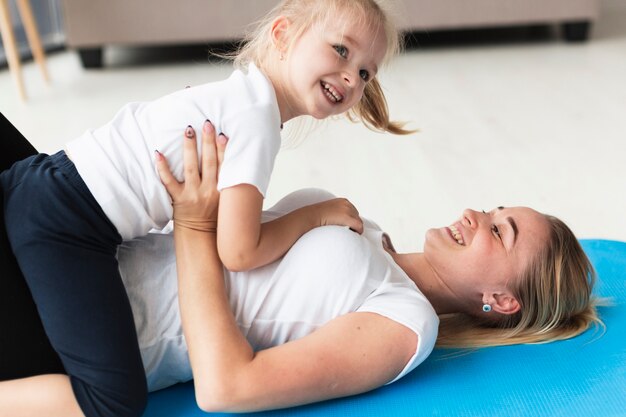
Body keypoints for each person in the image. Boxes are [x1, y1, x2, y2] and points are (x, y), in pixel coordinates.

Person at [1, 122, 603, 414]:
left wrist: (193, 225)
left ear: (501, 301)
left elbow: (225, 387)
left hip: (65, 326)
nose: (475, 212)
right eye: (495, 207)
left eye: (500, 230)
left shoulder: (403, 323)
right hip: (78, 245)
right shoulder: (363, 229)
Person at [0, 1, 411, 415]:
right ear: (283, 35)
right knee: (112, 401)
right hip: (66, 221)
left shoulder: (240, 97)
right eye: (342, 50)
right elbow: (238, 252)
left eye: (364, 73)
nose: (350, 77)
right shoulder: (256, 121)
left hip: (41, 179)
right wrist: (314, 215)